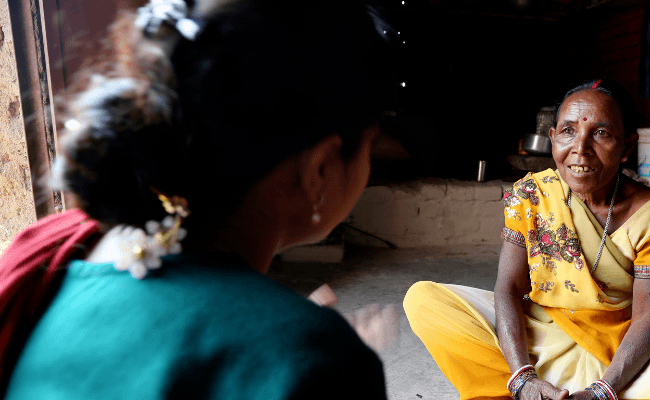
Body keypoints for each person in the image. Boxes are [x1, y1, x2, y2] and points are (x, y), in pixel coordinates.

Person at [0, 0, 398, 397]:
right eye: (370, 144)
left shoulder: (60, 252)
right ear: (321, 169)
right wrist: (315, 357)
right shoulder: (314, 358)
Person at [403, 79, 650, 400]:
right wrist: (523, 377)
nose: (581, 149)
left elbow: (648, 318)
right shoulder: (532, 194)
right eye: (569, 131)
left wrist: (603, 391)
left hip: (618, 349)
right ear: (554, 137)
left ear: (627, 146)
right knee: (423, 300)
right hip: (540, 333)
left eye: (601, 133)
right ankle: (528, 389)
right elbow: (507, 288)